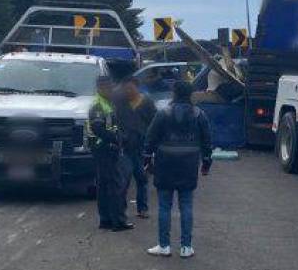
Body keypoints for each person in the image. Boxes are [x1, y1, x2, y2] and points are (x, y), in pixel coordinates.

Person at [145, 80, 213, 258]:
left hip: (165, 164)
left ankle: (164, 245)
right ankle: (186, 247)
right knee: (186, 205)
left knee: (164, 206)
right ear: (190, 94)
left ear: (174, 93)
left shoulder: (163, 113)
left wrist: (147, 159)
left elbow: (151, 138)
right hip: (189, 165)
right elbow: (207, 141)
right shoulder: (199, 115)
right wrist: (206, 163)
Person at [87, 75, 133, 231]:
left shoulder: (107, 103)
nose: (111, 90)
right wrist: (117, 139)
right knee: (115, 186)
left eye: (111, 87)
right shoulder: (98, 106)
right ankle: (118, 221)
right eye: (108, 88)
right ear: (100, 88)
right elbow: (98, 129)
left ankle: (106, 220)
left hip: (105, 149)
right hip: (104, 149)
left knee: (105, 185)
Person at [115, 77, 157, 219]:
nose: (128, 91)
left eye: (131, 88)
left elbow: (154, 124)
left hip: (141, 148)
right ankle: (121, 209)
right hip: (125, 148)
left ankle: (142, 208)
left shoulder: (147, 103)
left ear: (137, 87)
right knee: (123, 180)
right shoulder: (120, 103)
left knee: (142, 179)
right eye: (125, 89)